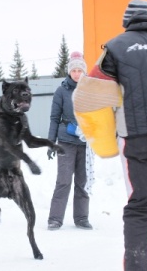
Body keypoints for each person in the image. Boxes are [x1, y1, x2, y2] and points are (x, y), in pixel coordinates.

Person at [73, 0, 147, 271]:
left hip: (136, 142)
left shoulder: (115, 48)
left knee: (139, 208)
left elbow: (85, 97)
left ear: (127, 23)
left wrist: (105, 140)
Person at [47, 51, 94, 231]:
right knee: (64, 181)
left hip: (85, 142)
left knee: (82, 182)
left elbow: (97, 116)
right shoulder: (61, 91)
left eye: (79, 70)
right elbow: (54, 118)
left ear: (83, 71)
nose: (76, 73)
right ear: (69, 71)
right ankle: (55, 219)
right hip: (65, 142)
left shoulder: (90, 90)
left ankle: (81, 218)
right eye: (73, 70)